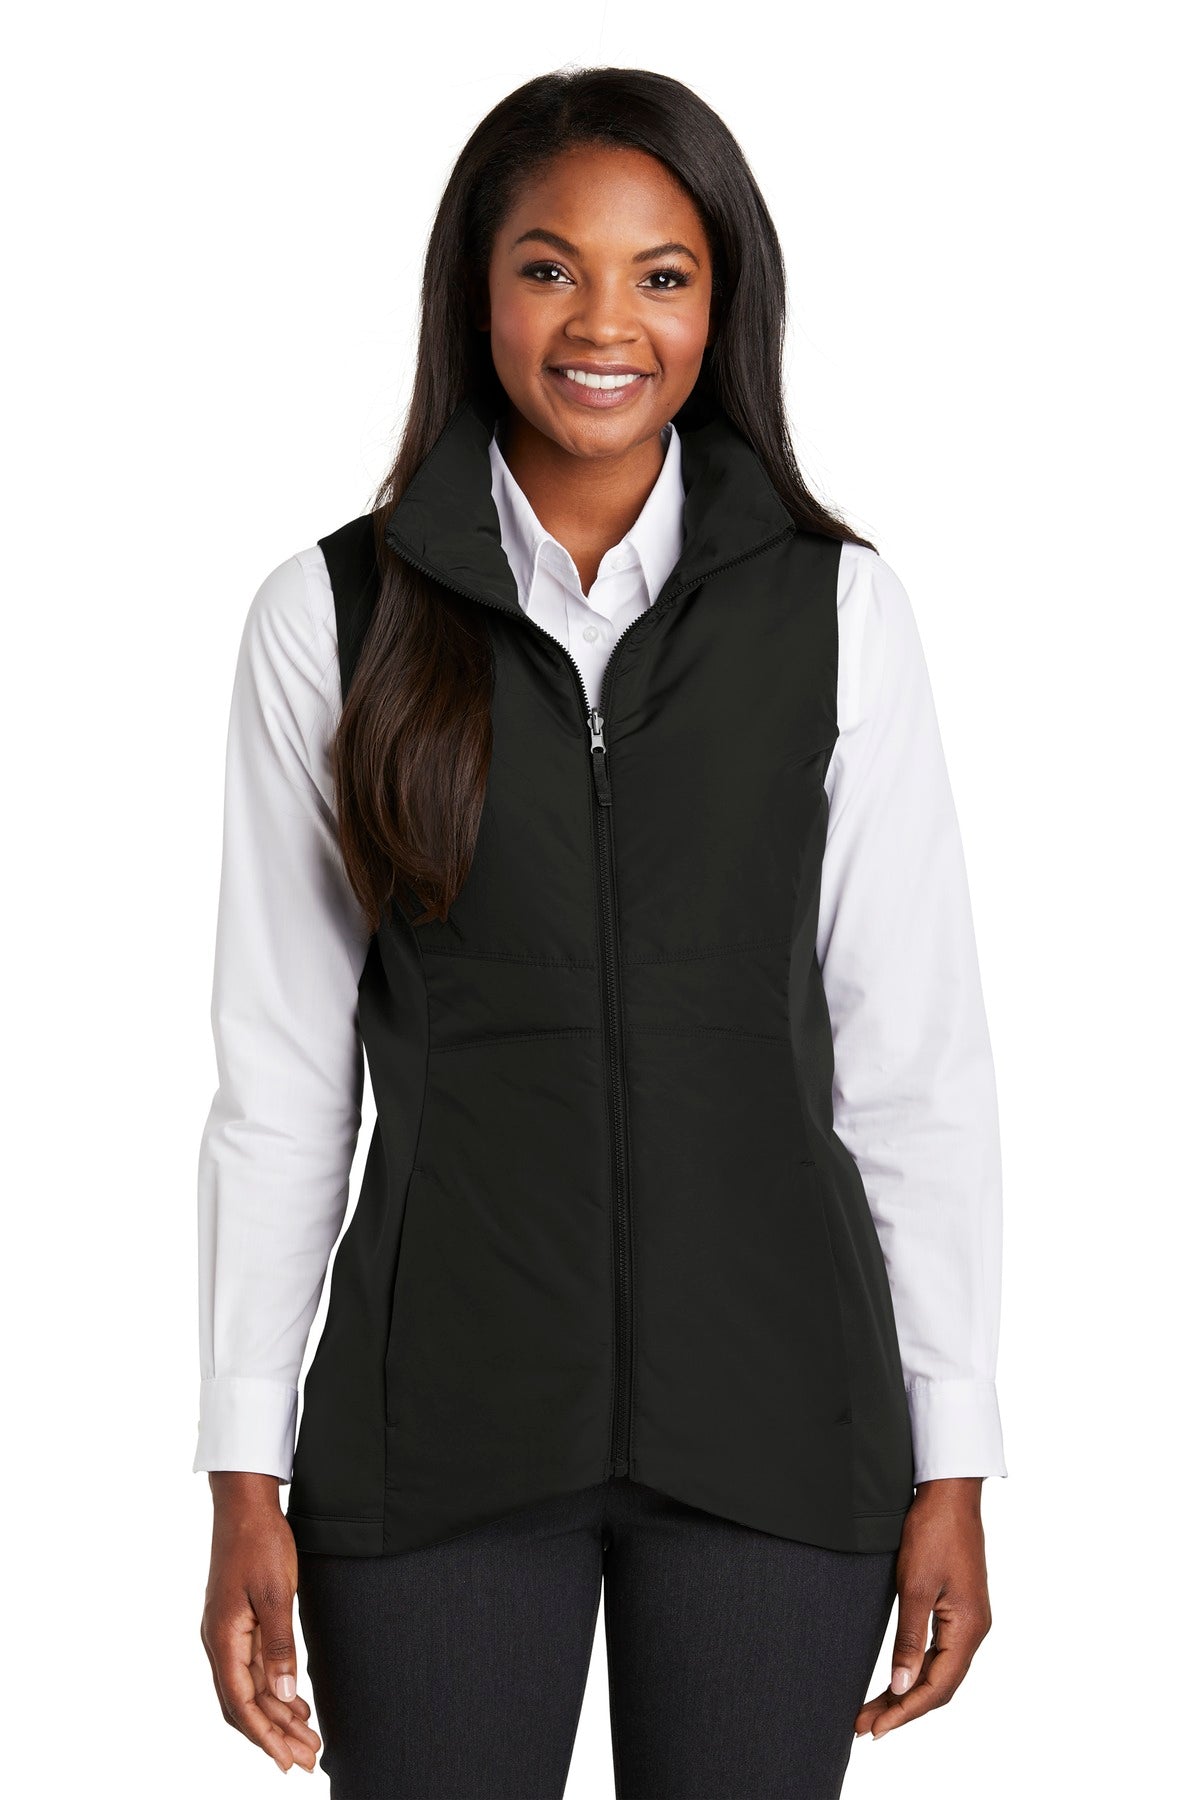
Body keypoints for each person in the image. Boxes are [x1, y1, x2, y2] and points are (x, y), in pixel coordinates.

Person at [196, 65, 1008, 1800]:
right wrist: (240, 1469)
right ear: (475, 291)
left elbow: (913, 1064)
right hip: (436, 1441)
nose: (604, 324)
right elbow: (279, 1087)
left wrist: (954, 1454)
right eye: (550, 267)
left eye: (663, 274)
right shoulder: (332, 619)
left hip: (781, 1432)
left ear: (723, 305)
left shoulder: (836, 610)